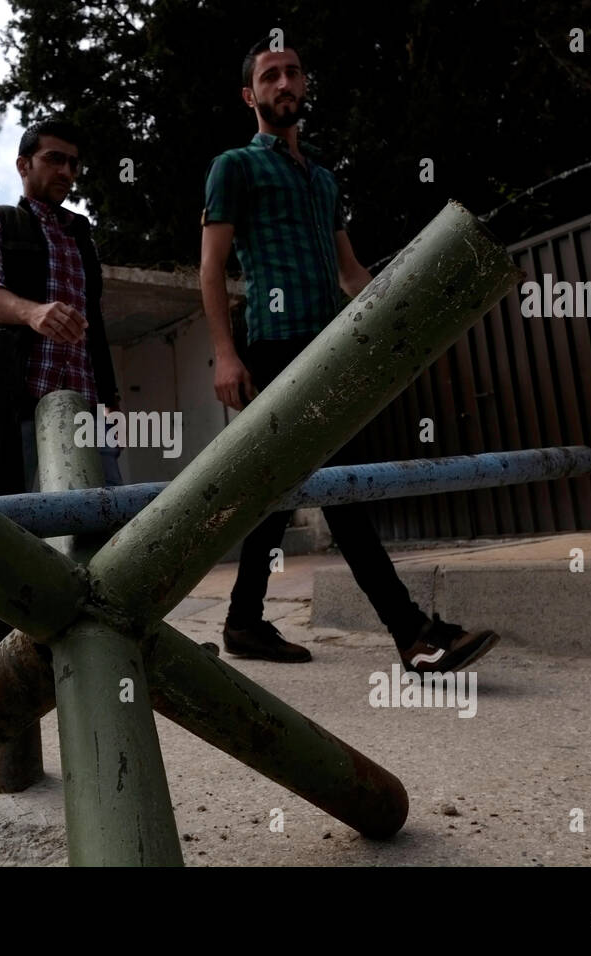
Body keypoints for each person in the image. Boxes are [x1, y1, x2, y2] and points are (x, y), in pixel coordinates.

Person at [199, 35, 500, 674]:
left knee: (278, 491)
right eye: (270, 76)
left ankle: (244, 621)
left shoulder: (323, 179)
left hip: (331, 349)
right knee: (341, 491)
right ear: (250, 94)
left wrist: (403, 329)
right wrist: (226, 354)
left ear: (304, 86)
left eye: (294, 73)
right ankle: (413, 633)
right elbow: (211, 266)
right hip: (274, 350)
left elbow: (353, 275)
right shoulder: (235, 167)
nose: (285, 84)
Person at [0, 118, 122, 672]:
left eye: (74, 163)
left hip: (82, 407)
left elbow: (93, 323)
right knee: (3, 536)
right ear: (24, 165)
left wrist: (110, 397)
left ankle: (114, 644)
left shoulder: (81, 235)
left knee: (106, 527)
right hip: (18, 407)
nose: (67, 172)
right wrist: (33, 312)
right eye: (55, 159)